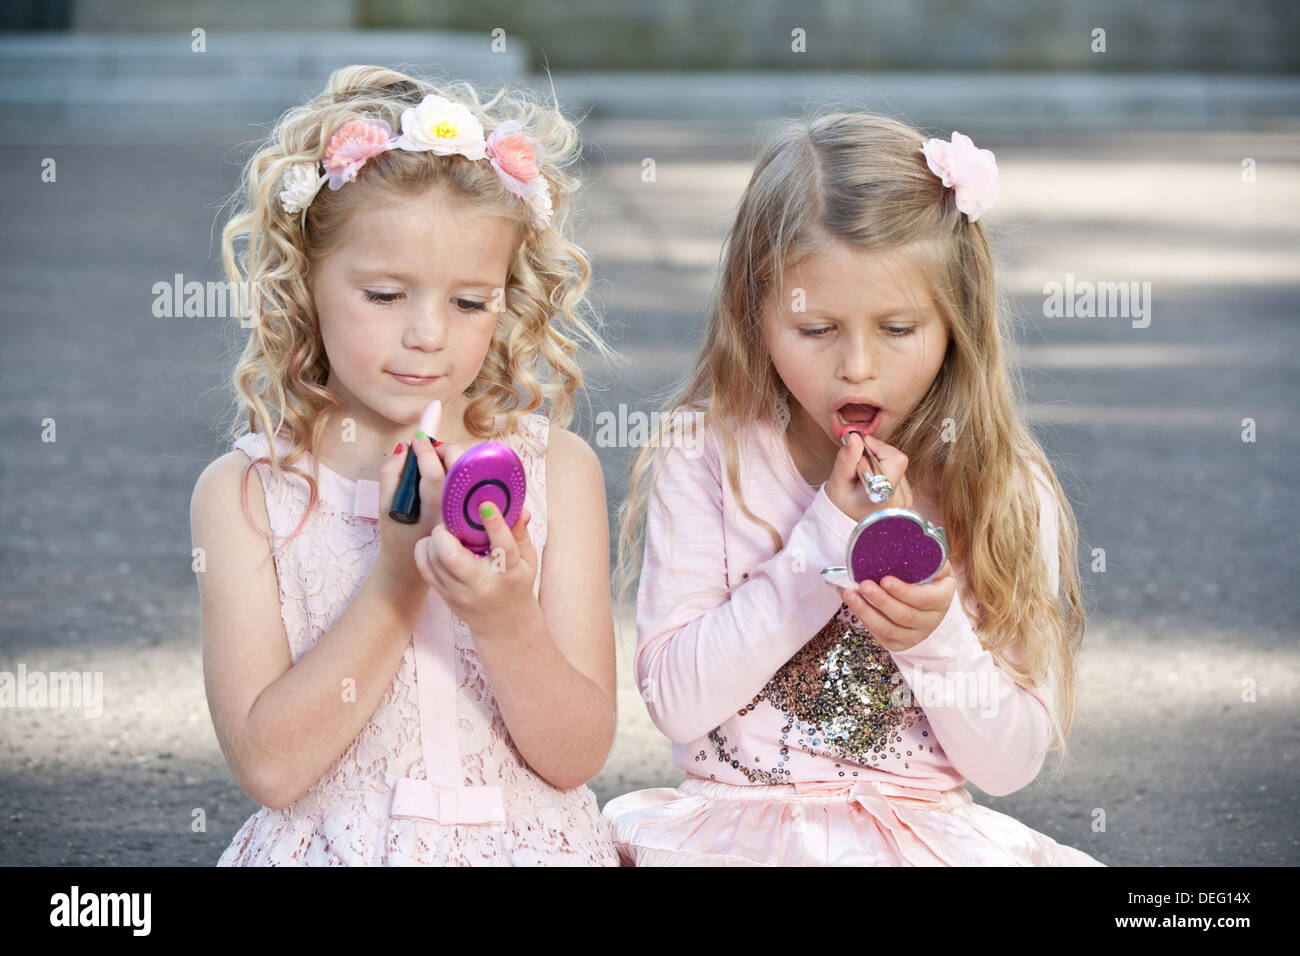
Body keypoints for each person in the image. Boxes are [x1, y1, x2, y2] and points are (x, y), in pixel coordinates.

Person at [604, 113, 1105, 866]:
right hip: (733, 834)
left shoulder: (998, 483)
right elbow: (677, 704)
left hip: (918, 836)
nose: (858, 368)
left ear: (956, 326)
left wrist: (934, 637)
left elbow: (1008, 763)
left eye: (899, 329)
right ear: (755, 314)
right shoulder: (708, 456)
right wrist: (824, 539)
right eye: (817, 330)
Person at [190, 65, 620, 865]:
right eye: (386, 295)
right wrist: (395, 578)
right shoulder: (249, 495)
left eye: (468, 302)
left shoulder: (557, 471)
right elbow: (271, 767)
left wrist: (504, 618)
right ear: (304, 282)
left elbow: (576, 755)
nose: (428, 334)